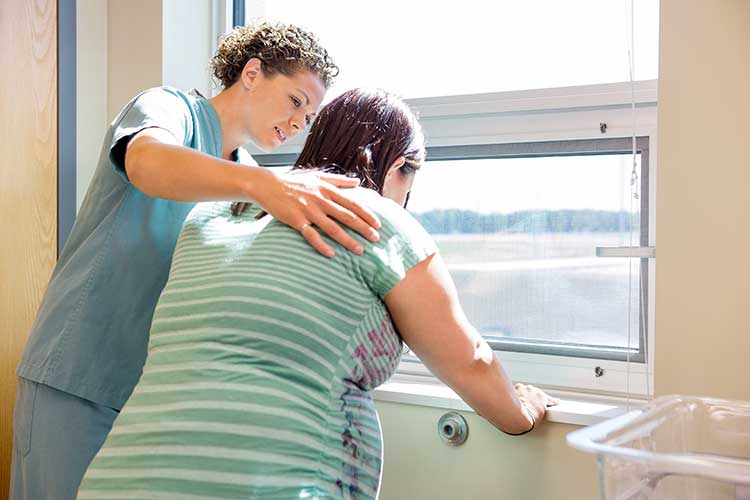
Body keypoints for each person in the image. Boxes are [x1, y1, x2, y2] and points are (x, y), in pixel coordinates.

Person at [76, 88, 557, 500]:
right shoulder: (376, 219)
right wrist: (523, 414)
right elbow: (469, 359)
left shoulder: (213, 216)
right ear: (398, 166)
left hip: (118, 479)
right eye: (413, 174)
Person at [11, 22, 383, 500]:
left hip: (154, 402)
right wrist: (264, 186)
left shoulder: (250, 178)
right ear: (252, 73)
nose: (298, 124)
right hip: (80, 376)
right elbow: (146, 161)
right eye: (295, 101)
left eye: (308, 118)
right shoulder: (169, 110)